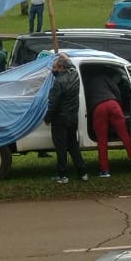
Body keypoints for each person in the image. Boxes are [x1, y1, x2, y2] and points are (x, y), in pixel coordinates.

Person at [84, 67, 131, 177]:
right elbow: (116, 89)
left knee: (102, 140)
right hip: (113, 104)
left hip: (98, 107)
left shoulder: (85, 82)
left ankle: (105, 170)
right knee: (125, 135)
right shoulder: (104, 77)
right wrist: (119, 102)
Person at [45, 54, 86, 184]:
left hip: (60, 120)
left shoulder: (58, 83)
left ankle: (63, 175)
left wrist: (48, 118)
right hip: (72, 118)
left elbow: (53, 103)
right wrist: (63, 55)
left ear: (61, 67)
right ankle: (83, 172)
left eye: (54, 67)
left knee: (61, 148)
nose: (53, 69)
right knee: (73, 145)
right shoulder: (75, 76)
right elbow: (71, 65)